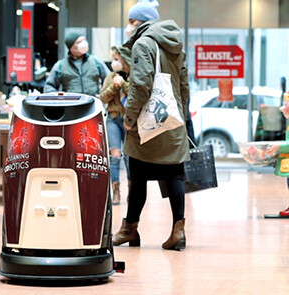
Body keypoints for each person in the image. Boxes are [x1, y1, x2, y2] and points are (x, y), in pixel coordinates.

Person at [112, 0, 191, 250]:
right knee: (175, 175)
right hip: (173, 119)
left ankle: (129, 229)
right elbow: (184, 84)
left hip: (148, 122)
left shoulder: (143, 43)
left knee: (138, 175)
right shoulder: (175, 43)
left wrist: (129, 118)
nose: (128, 26)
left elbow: (141, 85)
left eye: (130, 21)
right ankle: (178, 231)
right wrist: (181, 114)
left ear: (137, 22)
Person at [100, 46, 132, 205]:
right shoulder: (110, 76)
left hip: (130, 121)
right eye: (113, 59)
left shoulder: (133, 75)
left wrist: (124, 84)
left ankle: (132, 191)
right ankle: (116, 190)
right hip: (113, 118)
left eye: (117, 59)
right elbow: (103, 98)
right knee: (115, 154)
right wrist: (115, 86)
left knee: (129, 156)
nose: (114, 63)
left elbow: (137, 95)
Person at [44, 32, 110, 96]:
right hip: (72, 103)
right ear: (71, 47)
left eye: (84, 40)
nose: (84, 43)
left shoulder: (96, 61)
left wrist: (104, 95)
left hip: (92, 102)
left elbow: (109, 80)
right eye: (79, 42)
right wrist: (57, 96)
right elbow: (49, 87)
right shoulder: (60, 65)